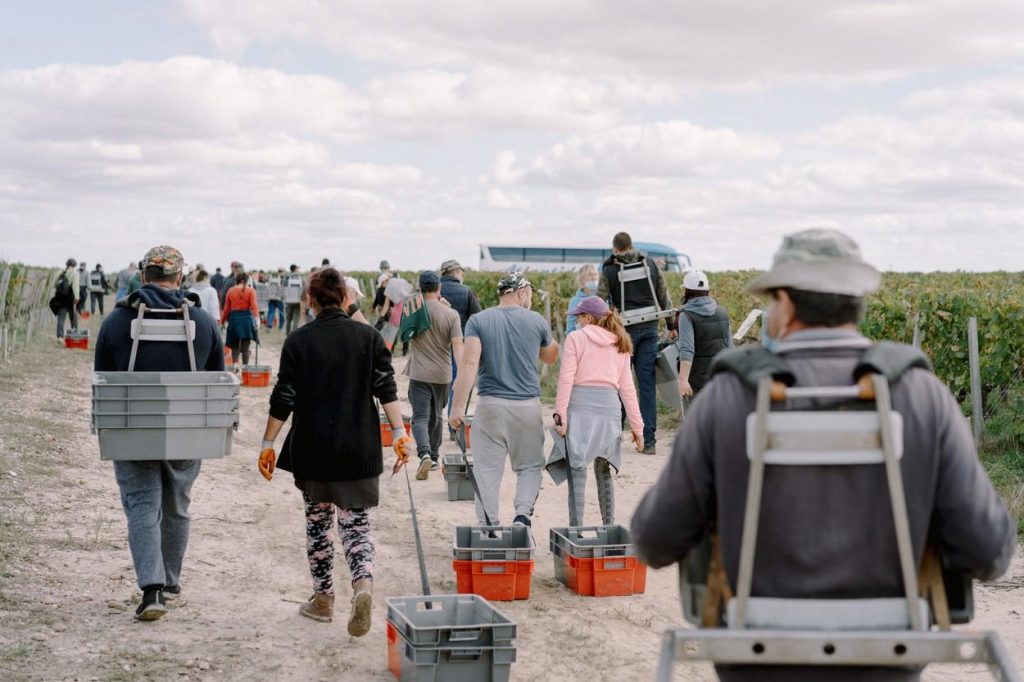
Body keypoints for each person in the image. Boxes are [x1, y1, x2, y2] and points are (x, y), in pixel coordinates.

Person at [631, 229, 1015, 682]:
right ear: (857, 301)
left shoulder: (727, 397)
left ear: (787, 306)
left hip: (755, 661)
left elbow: (655, 540)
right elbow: (988, 550)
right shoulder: (922, 396)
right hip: (888, 660)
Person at [257, 268, 413, 635]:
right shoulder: (368, 337)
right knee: (355, 526)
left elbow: (284, 397)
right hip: (359, 449)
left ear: (309, 301)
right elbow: (386, 389)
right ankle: (362, 585)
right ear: (346, 297)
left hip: (313, 451)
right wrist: (401, 434)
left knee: (318, 526)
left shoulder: (298, 341)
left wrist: (267, 443)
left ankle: (324, 598)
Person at [94, 245, 225, 620]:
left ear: (142, 275)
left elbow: (102, 377)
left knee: (141, 506)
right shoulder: (202, 320)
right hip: (186, 430)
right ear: (180, 277)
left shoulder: (116, 322)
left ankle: (151, 591)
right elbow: (217, 377)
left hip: (132, 428)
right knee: (177, 505)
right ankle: (170, 580)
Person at [449, 272, 559, 527]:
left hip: (490, 407)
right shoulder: (536, 321)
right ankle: (522, 516)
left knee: (487, 470)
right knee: (530, 466)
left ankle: (488, 525)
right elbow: (550, 357)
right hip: (527, 407)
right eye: (529, 293)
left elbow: (468, 364)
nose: (530, 297)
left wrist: (456, 408)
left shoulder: (478, 321)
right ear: (521, 293)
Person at [551, 296, 643, 526]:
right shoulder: (620, 342)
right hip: (610, 409)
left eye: (579, 317)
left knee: (577, 468)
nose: (577, 322)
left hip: (581, 406)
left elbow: (566, 378)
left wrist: (560, 415)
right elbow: (628, 389)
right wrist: (637, 427)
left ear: (588, 317)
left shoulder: (575, 339)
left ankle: (576, 530)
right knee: (604, 469)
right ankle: (608, 526)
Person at [598, 232, 676, 454]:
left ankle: (614, 438)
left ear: (616, 249)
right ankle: (649, 441)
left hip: (623, 333)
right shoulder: (650, 264)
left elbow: (601, 301)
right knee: (646, 384)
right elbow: (664, 296)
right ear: (632, 246)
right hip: (650, 328)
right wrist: (671, 325)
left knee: (620, 383)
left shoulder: (609, 269)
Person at [406, 271, 464, 480]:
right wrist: (462, 373)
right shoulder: (451, 314)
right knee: (437, 416)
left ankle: (424, 454)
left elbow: (404, 336)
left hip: (419, 372)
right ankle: (435, 456)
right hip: (443, 374)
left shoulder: (414, 312)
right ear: (439, 288)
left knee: (420, 416)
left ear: (420, 289)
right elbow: (458, 345)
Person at [675, 270, 732, 403]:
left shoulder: (686, 315)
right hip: (720, 377)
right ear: (707, 290)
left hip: (697, 382)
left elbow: (687, 350)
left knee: (699, 422)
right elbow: (729, 347)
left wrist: (683, 380)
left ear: (686, 290)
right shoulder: (722, 312)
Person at [440, 259, 482, 416]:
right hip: (461, 344)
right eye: (461, 271)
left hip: (436, 343)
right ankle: (454, 426)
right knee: (459, 382)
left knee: (436, 383)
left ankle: (433, 426)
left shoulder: (431, 291)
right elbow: (477, 318)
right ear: (456, 272)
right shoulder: (466, 291)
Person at [220, 271, 259, 372]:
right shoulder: (251, 291)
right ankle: (245, 368)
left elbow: (226, 309)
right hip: (247, 320)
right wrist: (257, 319)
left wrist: (222, 322)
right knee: (246, 347)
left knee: (234, 346)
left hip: (234, 320)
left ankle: (235, 365)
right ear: (245, 280)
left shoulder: (231, 291)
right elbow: (254, 307)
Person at [565, 264, 599, 334]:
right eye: (590, 275)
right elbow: (570, 329)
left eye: (595, 274)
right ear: (581, 280)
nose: (594, 277)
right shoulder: (575, 301)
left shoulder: (604, 298)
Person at [53, 258, 80, 340]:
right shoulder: (75, 273)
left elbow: (54, 284)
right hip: (70, 298)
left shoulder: (60, 272)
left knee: (61, 318)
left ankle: (60, 337)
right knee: (73, 317)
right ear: (74, 265)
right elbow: (75, 286)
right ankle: (73, 335)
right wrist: (77, 297)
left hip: (60, 298)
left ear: (67, 264)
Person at [283, 264, 306, 334]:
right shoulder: (300, 278)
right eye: (297, 268)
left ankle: (287, 334)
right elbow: (304, 288)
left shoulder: (286, 278)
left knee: (288, 319)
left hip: (288, 301)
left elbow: (283, 288)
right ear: (295, 269)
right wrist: (302, 298)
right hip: (298, 301)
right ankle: (293, 334)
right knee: (296, 319)